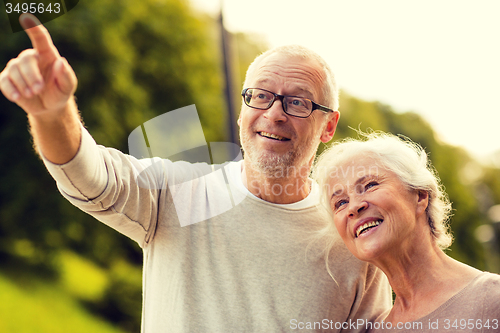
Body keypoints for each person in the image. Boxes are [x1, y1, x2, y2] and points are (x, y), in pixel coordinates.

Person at [0, 14, 392, 332]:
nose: (274, 113)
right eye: (260, 96)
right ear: (243, 108)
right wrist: (52, 113)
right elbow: (87, 173)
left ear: (328, 126)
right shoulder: (177, 193)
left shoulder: (355, 240)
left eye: (297, 102)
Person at [313, 132, 500, 333]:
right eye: (340, 203)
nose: (353, 207)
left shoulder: (492, 299)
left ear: (420, 195)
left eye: (370, 185)